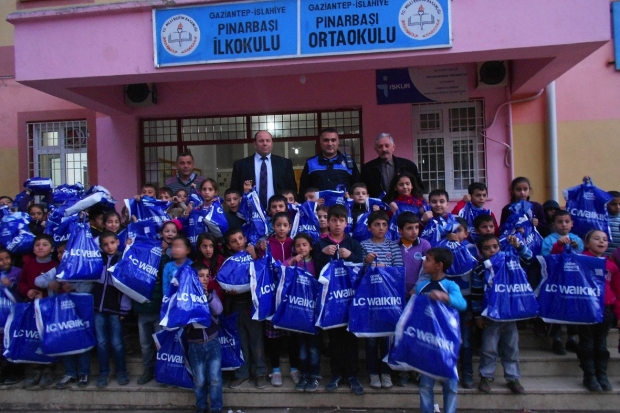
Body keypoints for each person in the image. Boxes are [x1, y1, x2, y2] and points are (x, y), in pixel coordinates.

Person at [313, 204, 365, 395]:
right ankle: (336, 374)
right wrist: (322, 255)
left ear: (346, 223)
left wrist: (351, 257)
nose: (337, 224)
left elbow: (362, 267)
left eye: (341, 220)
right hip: (331, 300)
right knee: (334, 338)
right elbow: (317, 271)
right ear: (328, 222)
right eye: (333, 220)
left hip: (350, 299)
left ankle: (352, 375)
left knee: (351, 338)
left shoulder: (353, 244)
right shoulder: (320, 244)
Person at [471, 234, 531, 395]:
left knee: (511, 347)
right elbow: (476, 293)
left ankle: (513, 378)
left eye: (495, 247)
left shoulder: (510, 262)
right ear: (481, 252)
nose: (492, 251)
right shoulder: (480, 268)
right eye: (487, 248)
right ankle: (486, 376)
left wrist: (518, 246)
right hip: (490, 316)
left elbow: (528, 258)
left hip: (510, 314)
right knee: (489, 347)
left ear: (500, 247)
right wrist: (477, 315)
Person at [416, 247, 467, 413]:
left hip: (447, 342)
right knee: (425, 385)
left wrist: (445, 297)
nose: (424, 262)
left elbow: (462, 304)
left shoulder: (450, 285)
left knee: (450, 385)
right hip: (426, 341)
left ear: (439, 265)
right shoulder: (422, 286)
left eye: (428, 260)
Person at [361, 210, 403, 389]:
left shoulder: (393, 246)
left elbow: (399, 271)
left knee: (387, 338)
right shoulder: (363, 245)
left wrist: (385, 268)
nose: (380, 228)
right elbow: (358, 273)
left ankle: (386, 373)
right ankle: (372, 374)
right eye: (376, 225)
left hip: (388, 299)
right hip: (370, 300)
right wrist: (366, 262)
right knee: (371, 339)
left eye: (384, 225)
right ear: (369, 227)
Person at [134, 221, 178, 385]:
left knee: (161, 343)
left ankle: (162, 371)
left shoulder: (171, 259)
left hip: (160, 310)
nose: (170, 234)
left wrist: (164, 253)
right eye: (166, 231)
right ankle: (148, 370)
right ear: (160, 234)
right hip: (143, 308)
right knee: (145, 345)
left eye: (173, 231)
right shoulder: (146, 255)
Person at [223, 228, 267, 390]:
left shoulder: (255, 255)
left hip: (253, 306)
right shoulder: (229, 261)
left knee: (256, 341)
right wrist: (228, 290)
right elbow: (224, 280)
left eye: (240, 238)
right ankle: (242, 373)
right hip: (235, 307)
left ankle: (260, 372)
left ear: (245, 238)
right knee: (240, 342)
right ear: (229, 245)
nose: (239, 243)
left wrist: (253, 255)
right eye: (234, 241)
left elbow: (262, 275)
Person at [578, 230, 620, 392]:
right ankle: (589, 376)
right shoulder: (580, 260)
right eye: (597, 239)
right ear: (587, 243)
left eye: (605, 239)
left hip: (606, 310)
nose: (601, 241)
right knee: (587, 343)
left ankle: (602, 375)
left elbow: (617, 290)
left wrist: (618, 313)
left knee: (601, 344)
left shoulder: (611, 265)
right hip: (586, 309)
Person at [92, 231, 131, 388]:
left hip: (116, 309)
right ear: (101, 246)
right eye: (105, 244)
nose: (109, 247)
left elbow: (127, 286)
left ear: (118, 242)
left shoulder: (123, 259)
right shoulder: (97, 259)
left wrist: (124, 309)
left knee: (117, 343)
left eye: (112, 243)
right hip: (97, 308)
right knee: (101, 342)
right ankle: (104, 372)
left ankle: (121, 372)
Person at [187, 262, 224, 413]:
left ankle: (216, 407)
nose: (205, 279)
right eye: (201, 276)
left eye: (207, 276)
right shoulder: (186, 296)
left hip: (212, 341)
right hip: (195, 344)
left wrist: (207, 296)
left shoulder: (212, 293)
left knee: (215, 379)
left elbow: (218, 310)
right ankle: (201, 406)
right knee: (199, 380)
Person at [285, 233, 320, 392]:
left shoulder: (316, 262)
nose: (301, 248)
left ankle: (315, 375)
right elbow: (282, 270)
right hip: (297, 311)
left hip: (312, 311)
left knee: (313, 347)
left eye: (304, 245)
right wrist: (292, 261)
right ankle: (304, 374)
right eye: (298, 245)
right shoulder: (293, 261)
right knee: (301, 348)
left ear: (311, 247)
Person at [230, 131, 297, 209]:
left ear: (272, 143)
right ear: (255, 144)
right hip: (250, 211)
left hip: (278, 211)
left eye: (268, 141)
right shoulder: (241, 165)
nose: (265, 143)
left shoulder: (284, 163)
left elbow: (292, 189)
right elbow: (234, 191)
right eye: (261, 141)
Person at [299, 128, 361, 196]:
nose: (330, 143)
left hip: (343, 203)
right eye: (326, 140)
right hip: (319, 203)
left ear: (338, 142)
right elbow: (303, 191)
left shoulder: (349, 162)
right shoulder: (310, 163)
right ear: (320, 142)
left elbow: (357, 188)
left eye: (333, 140)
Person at [361, 133, 424, 198]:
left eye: (387, 146)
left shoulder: (408, 166)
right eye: (380, 147)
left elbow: (419, 188)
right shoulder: (367, 169)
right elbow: (363, 191)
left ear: (393, 147)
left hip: (404, 203)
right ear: (376, 149)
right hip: (378, 204)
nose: (384, 149)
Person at [0, 246, 23, 385]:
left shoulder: (17, 272)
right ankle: (3, 371)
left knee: (14, 343)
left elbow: (23, 289)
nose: (4, 262)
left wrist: (10, 285)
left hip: (14, 315)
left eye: (7, 258)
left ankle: (16, 372)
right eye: (1, 260)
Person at [605, 191, 620, 257]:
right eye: (613, 204)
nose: (618, 207)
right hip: (603, 257)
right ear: (606, 204)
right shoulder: (600, 218)